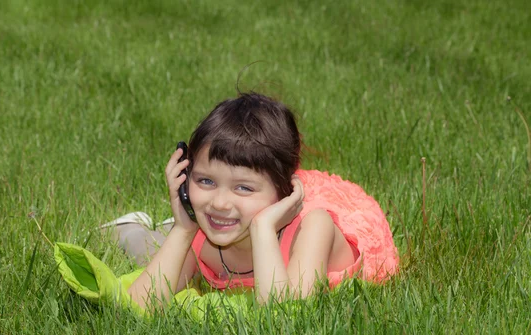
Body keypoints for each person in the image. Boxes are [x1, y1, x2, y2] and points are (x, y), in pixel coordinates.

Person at [104, 92, 398, 308]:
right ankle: (131, 227)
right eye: (206, 181)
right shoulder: (201, 235)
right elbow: (140, 307)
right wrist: (183, 228)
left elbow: (281, 315)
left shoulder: (314, 228)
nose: (219, 202)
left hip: (313, 219)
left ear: (282, 192)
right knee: (149, 248)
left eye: (243, 188)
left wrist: (263, 229)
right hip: (231, 226)